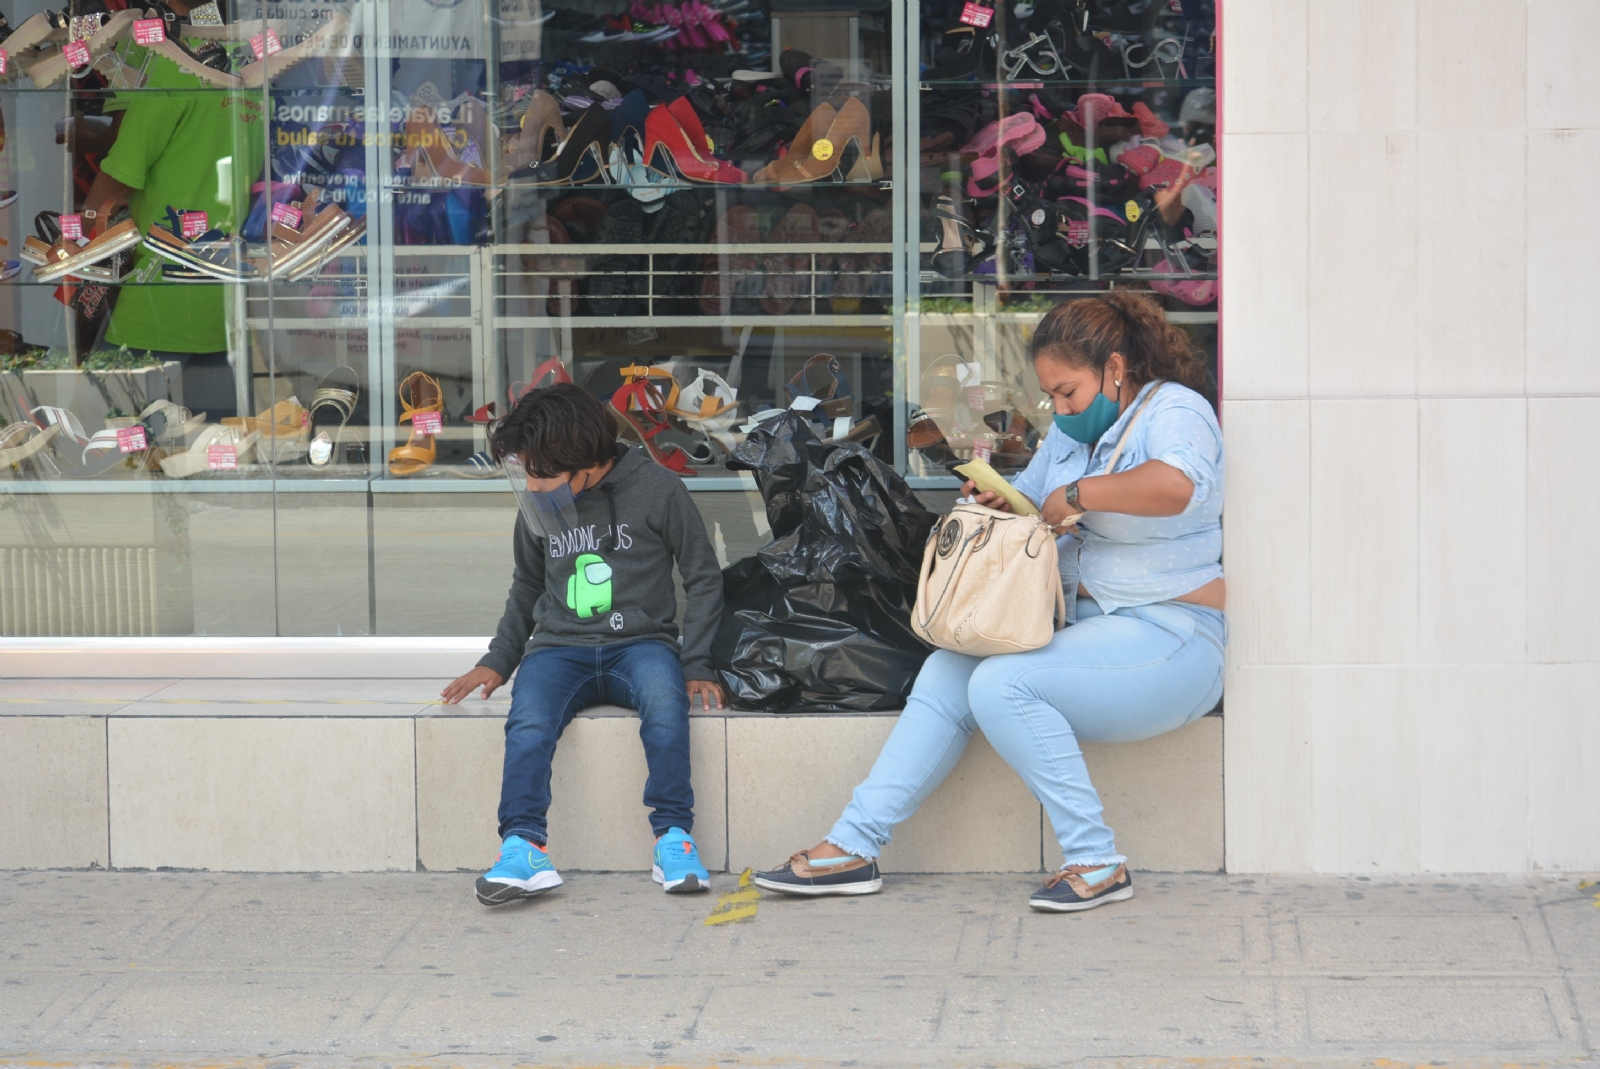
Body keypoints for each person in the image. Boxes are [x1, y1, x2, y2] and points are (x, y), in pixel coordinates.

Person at [755, 291, 1226, 913]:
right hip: (1084, 627)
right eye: (1050, 396)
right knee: (948, 666)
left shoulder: (1174, 408)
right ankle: (852, 846)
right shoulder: (1065, 433)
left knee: (1004, 685)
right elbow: (1034, 500)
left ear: (1115, 369)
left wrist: (1082, 493)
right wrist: (1000, 502)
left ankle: (1097, 859)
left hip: (1175, 639)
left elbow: (1176, 485)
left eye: (1069, 393)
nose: (1058, 409)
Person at [442, 384, 727, 905]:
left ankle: (673, 838)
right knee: (528, 720)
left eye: (540, 472)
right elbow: (527, 585)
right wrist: (499, 659)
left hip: (641, 645)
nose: (531, 485)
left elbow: (704, 578)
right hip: (558, 648)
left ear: (585, 462)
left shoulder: (658, 489)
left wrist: (697, 661)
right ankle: (523, 847)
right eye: (524, 471)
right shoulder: (540, 501)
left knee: (666, 708)